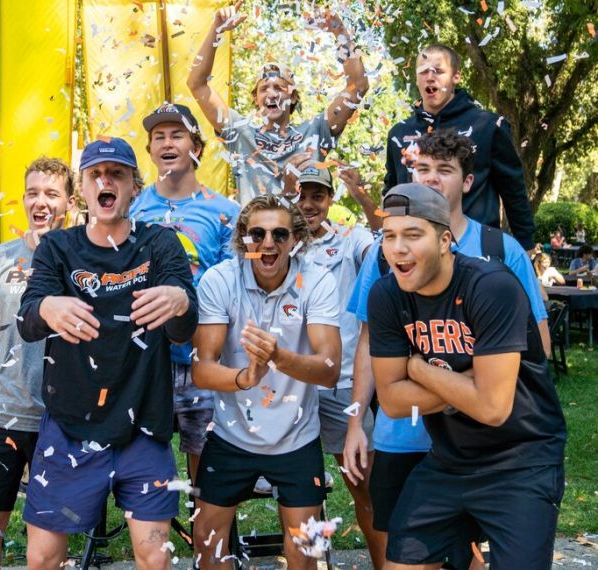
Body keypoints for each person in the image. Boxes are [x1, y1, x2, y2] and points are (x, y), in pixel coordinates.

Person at [345, 129, 551, 569]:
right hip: (448, 459)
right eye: (389, 235)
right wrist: (471, 384)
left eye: (413, 235)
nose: (398, 249)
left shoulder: (492, 286)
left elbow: (496, 408)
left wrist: (418, 369)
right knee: (401, 563)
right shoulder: (386, 293)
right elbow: (395, 402)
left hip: (519, 459)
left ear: (444, 241)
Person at [17, 137, 198, 569]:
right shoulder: (58, 248)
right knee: (43, 558)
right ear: (81, 188)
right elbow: (26, 321)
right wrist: (47, 306)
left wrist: (179, 300)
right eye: (96, 174)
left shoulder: (160, 244)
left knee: (155, 556)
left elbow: (184, 327)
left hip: (143, 429)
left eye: (116, 173)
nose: (105, 181)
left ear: (134, 186)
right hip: (69, 426)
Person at [191, 195, 341, 570]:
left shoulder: (317, 279)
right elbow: (202, 369)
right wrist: (246, 376)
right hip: (231, 434)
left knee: (305, 553)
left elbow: (329, 368)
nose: (268, 243)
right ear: (243, 239)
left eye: (279, 234)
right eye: (256, 233)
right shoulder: (220, 279)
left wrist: (278, 357)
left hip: (296, 436)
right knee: (207, 545)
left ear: (295, 240)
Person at [0, 156, 75, 568]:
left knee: (48, 534)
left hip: (60, 418)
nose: (40, 202)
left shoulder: (85, 257)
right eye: (32, 193)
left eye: (51, 194)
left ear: (70, 202)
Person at [129, 103, 241, 485]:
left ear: (196, 145)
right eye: (158, 136)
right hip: (146, 358)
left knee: (208, 471)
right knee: (143, 467)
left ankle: (209, 543)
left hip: (202, 358)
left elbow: (232, 290)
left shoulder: (226, 212)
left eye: (177, 134)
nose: (167, 142)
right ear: (149, 150)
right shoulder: (132, 209)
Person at [283, 163, 384, 565]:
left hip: (343, 383)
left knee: (366, 488)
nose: (308, 204)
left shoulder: (350, 238)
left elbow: (383, 242)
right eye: (301, 195)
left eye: (317, 196)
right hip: (292, 385)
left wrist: (361, 192)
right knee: (299, 497)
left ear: (330, 199)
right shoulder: (279, 240)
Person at [188, 1, 369, 203]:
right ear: (256, 99)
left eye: (279, 88)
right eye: (264, 88)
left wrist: (339, 30)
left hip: (302, 231)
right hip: (254, 232)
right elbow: (197, 84)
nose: (271, 94)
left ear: (292, 96)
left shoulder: (315, 131)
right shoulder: (239, 132)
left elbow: (358, 86)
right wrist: (216, 30)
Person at [384, 44, 535, 249]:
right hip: (415, 253)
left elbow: (514, 191)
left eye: (438, 70)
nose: (430, 77)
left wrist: (526, 246)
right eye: (423, 71)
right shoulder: (398, 134)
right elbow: (392, 193)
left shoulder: (489, 126)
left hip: (475, 253)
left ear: (456, 76)